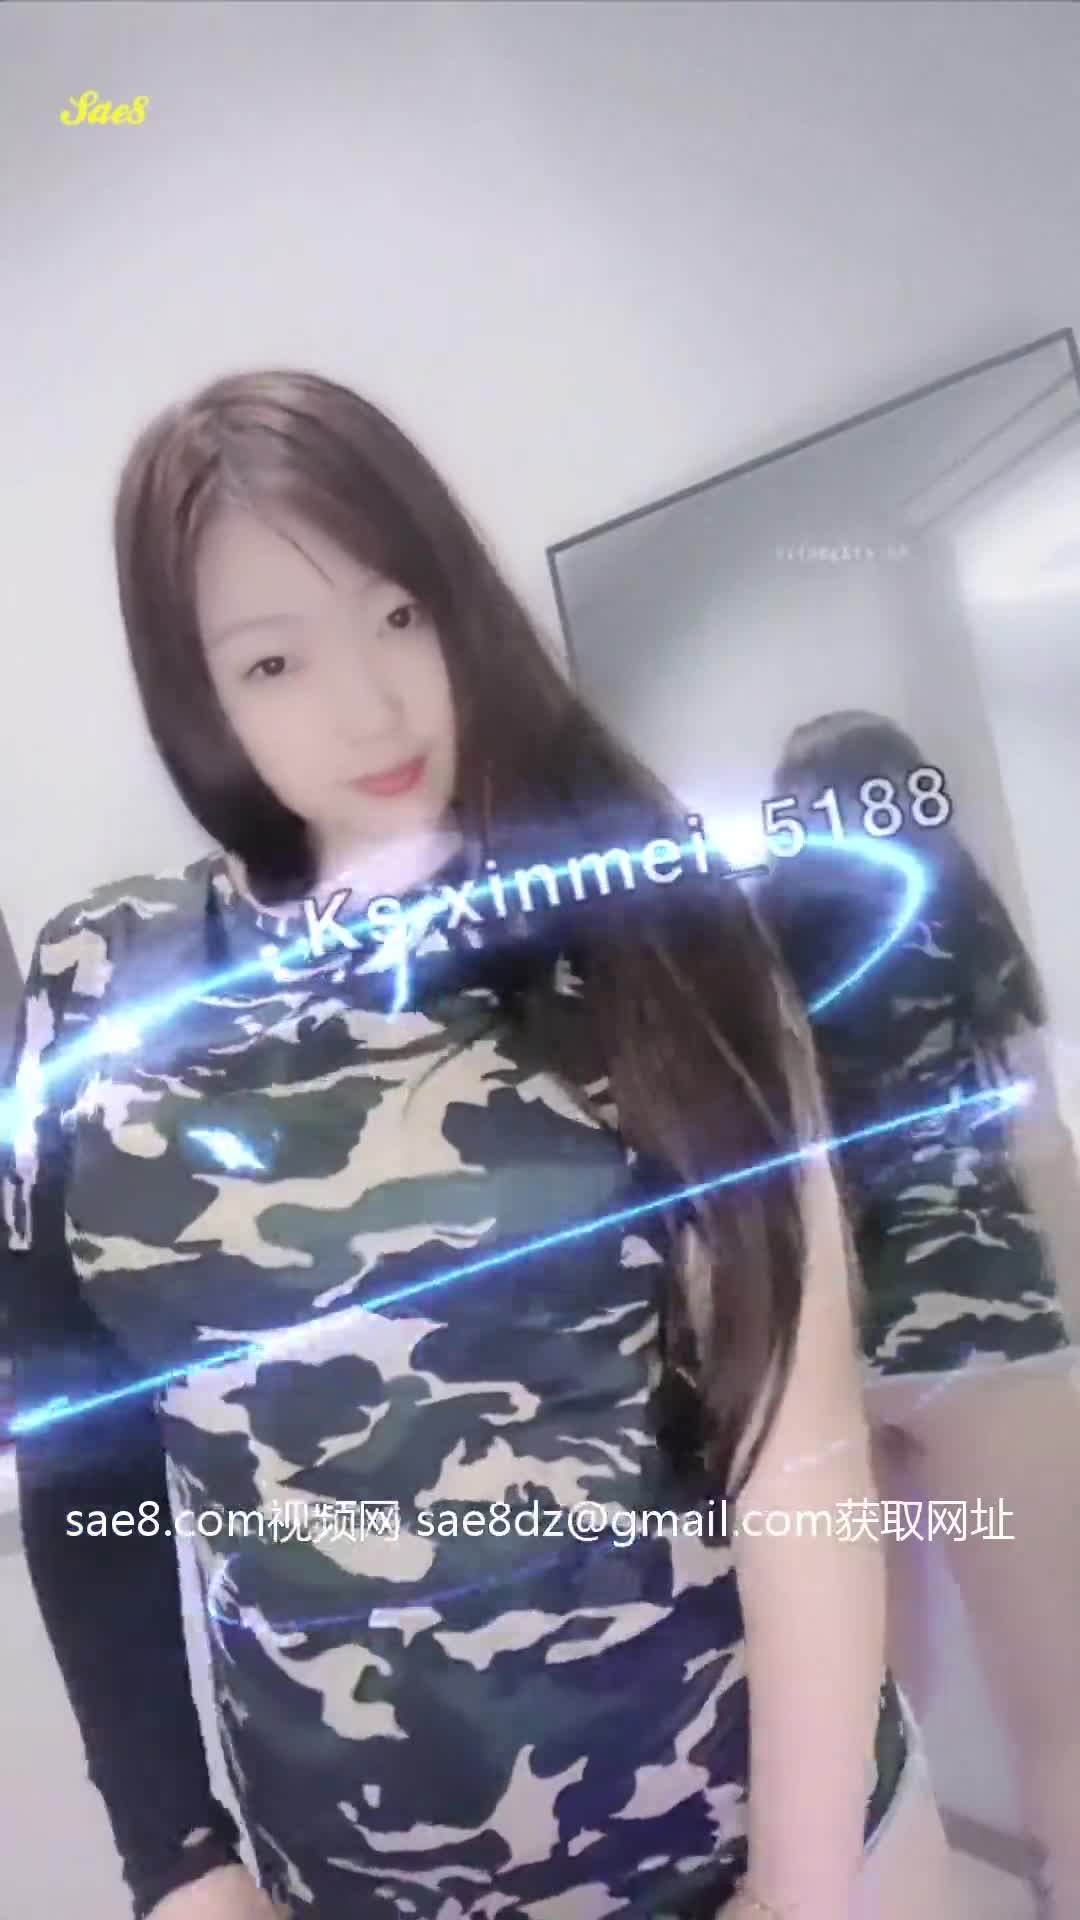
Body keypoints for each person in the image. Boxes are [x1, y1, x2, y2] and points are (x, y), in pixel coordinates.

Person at [1, 375, 958, 1920]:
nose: (370, 709)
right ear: (197, 694)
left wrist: (794, 1896)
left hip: (760, 1857)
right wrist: (174, 1861)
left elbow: (799, 1446)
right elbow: (81, 1455)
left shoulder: (658, 936)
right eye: (273, 661)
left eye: (399, 616)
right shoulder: (97, 991)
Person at [762, 708, 1080, 1920]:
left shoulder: (767, 952)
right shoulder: (960, 926)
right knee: (1062, 1721)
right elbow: (1038, 1145)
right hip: (987, 1332)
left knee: (870, 1746)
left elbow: (777, 1177)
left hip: (839, 1365)